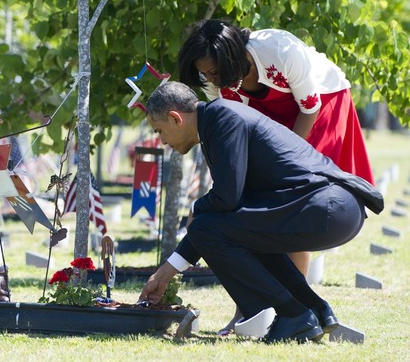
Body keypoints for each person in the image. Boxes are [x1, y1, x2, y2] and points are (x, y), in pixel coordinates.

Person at [138, 82, 382, 343]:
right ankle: (312, 309)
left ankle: (293, 315)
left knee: (207, 224)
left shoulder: (222, 118)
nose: (162, 141)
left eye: (159, 130)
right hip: (334, 208)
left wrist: (195, 209)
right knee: (226, 228)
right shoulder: (215, 121)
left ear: (175, 118)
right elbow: (221, 216)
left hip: (329, 206)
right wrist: (165, 273)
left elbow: (226, 199)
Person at [177, 19, 375, 332]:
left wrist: (282, 167)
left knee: (294, 206)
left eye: (214, 72)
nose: (212, 81)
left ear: (231, 57)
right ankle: (251, 310)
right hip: (271, 117)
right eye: (206, 75)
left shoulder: (280, 49)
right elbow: (234, 138)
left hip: (320, 106)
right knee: (250, 208)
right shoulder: (220, 83)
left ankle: (297, 312)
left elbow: (309, 108)